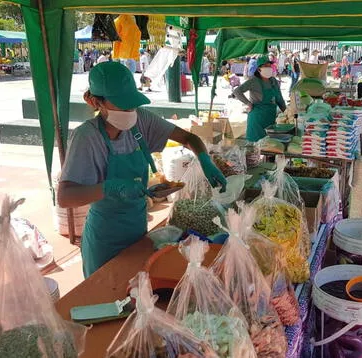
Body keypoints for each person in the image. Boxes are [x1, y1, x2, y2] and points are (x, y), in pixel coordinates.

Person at [58, 62, 226, 277]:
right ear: (95, 101)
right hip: (105, 239)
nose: (130, 111)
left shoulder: (141, 121)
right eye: (122, 105)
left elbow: (188, 138)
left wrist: (204, 159)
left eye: (132, 105)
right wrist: (110, 187)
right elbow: (65, 196)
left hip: (138, 231)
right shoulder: (87, 137)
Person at [233, 57, 287, 142]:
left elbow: (279, 99)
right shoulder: (254, 81)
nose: (269, 68)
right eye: (266, 66)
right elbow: (237, 91)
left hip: (270, 118)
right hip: (257, 119)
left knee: (269, 145)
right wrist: (248, 103)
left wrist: (287, 113)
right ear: (259, 69)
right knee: (256, 148)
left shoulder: (273, 81)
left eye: (269, 66)